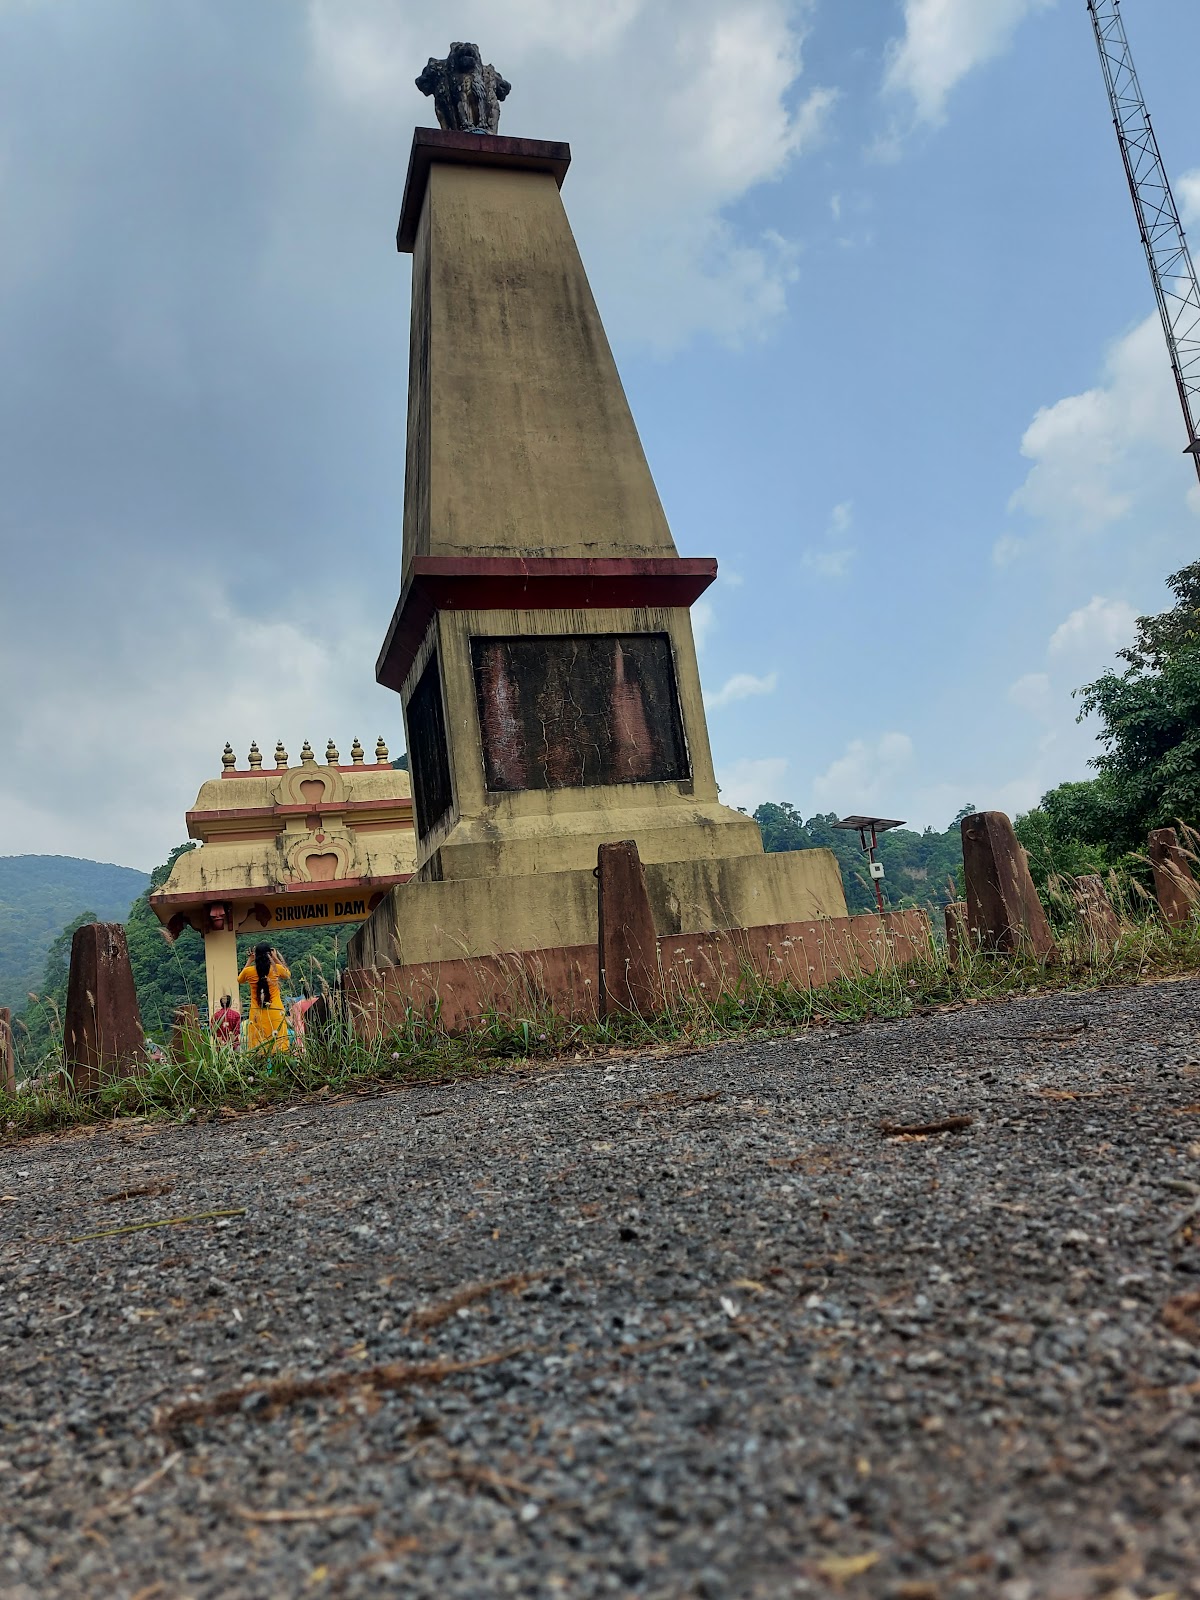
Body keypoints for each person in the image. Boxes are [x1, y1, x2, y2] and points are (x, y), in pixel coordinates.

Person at [236, 943, 291, 1054]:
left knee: (259, 1047)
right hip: (276, 1012)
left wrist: (250, 960)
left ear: (256, 955)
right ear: (269, 954)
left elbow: (240, 980)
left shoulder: (249, 972)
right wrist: (275, 959)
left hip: (257, 1014)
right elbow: (287, 975)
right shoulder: (276, 970)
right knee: (280, 1045)